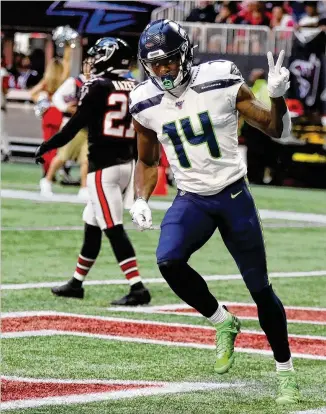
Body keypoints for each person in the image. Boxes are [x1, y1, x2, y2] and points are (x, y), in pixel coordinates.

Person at [129, 19, 299, 404]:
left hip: (233, 195)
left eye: (169, 62)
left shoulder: (220, 77)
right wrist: (140, 198)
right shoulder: (142, 100)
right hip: (191, 198)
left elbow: (274, 128)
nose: (163, 71)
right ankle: (223, 322)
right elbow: (146, 159)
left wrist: (276, 95)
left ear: (185, 55)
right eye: (154, 65)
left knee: (260, 289)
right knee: (168, 260)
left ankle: (286, 371)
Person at [34, 37, 151, 306]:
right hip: (126, 164)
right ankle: (76, 282)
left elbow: (75, 125)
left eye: (98, 55)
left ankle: (138, 287)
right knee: (92, 223)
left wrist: (47, 145)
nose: (94, 60)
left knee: (113, 228)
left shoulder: (99, 86)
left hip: (103, 167)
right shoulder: (137, 86)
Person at [39, 66, 89, 200]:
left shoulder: (99, 82)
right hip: (71, 125)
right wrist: (66, 107)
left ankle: (84, 188)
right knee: (63, 156)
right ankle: (47, 180)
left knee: (86, 159)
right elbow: (57, 97)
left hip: (88, 127)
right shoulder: (75, 82)